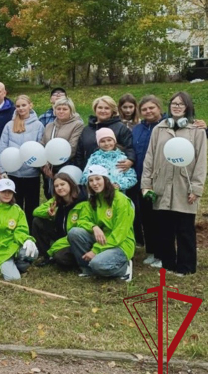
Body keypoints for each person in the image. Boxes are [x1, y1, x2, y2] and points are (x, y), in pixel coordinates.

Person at [142, 92, 207, 276]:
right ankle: (168, 264)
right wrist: (147, 184)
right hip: (161, 185)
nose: (177, 106)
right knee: (165, 228)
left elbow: (201, 162)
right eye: (174, 103)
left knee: (185, 229)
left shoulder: (197, 131)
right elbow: (150, 157)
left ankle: (186, 267)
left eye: (181, 104)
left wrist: (196, 188)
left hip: (184, 187)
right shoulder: (159, 129)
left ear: (187, 107)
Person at [68, 165, 134, 281]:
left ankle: (124, 268)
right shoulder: (94, 199)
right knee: (74, 232)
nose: (94, 183)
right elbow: (82, 220)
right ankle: (87, 269)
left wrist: (95, 251)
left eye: (98, 179)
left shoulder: (121, 200)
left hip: (120, 243)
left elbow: (120, 233)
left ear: (106, 180)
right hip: (102, 239)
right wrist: (94, 227)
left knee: (97, 264)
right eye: (91, 180)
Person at [0, 95, 44, 227]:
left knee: (31, 207)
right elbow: (2, 149)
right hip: (13, 174)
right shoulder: (9, 125)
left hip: (31, 174)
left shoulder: (38, 125)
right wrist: (2, 169)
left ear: (30, 105)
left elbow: (40, 148)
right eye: (18, 106)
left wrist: (37, 166)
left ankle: (29, 235)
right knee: (14, 206)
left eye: (24, 105)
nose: (21, 108)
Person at [132, 95, 165, 266]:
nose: (148, 111)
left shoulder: (167, 126)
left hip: (161, 179)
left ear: (159, 108)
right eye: (144, 109)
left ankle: (163, 253)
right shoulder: (138, 129)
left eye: (151, 108)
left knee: (161, 217)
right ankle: (152, 251)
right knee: (147, 217)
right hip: (142, 179)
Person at [33, 172, 91, 268]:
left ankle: (80, 259)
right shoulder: (57, 200)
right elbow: (36, 212)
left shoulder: (82, 203)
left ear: (70, 184)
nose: (60, 188)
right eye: (56, 186)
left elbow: (76, 233)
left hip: (73, 240)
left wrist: (54, 248)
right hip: (60, 234)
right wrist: (49, 212)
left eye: (62, 184)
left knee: (60, 258)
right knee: (37, 221)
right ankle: (43, 255)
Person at [74, 95, 135, 170]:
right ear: (95, 109)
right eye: (100, 107)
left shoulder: (121, 128)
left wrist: (130, 160)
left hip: (114, 172)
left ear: (112, 111)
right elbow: (79, 153)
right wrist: (81, 169)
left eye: (107, 108)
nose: (103, 111)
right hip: (91, 173)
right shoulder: (87, 130)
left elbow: (129, 147)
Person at [40, 97, 84, 198]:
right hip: (48, 168)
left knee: (66, 197)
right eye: (58, 109)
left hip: (66, 166)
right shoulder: (49, 126)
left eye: (65, 109)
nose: (61, 111)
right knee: (50, 195)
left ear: (71, 110)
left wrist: (54, 164)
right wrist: (44, 165)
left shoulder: (77, 125)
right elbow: (42, 144)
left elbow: (72, 147)